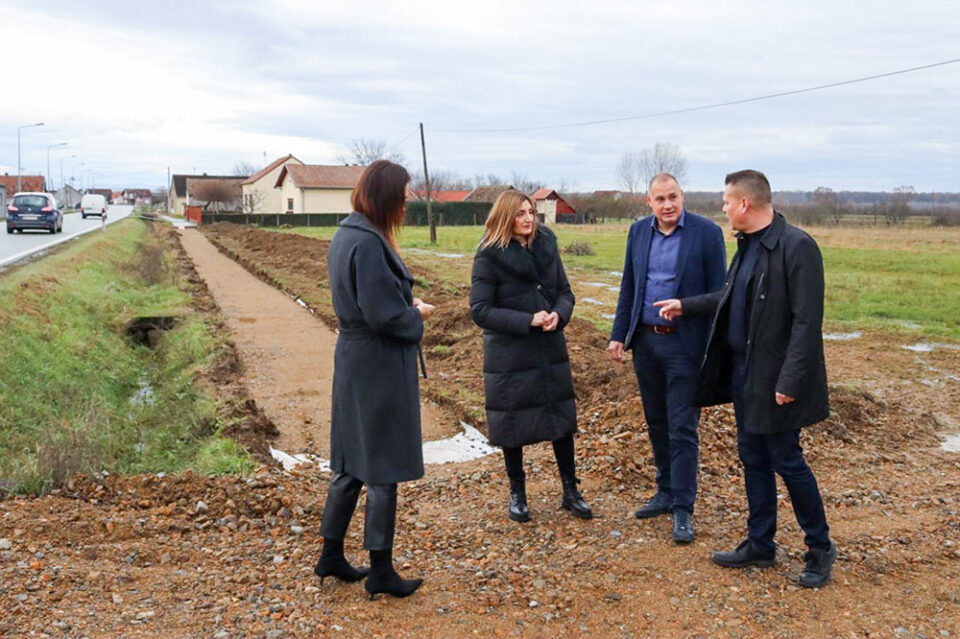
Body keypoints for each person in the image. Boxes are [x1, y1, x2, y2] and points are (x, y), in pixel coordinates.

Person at [656, 170, 836, 588]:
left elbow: (807, 323)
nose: (722, 208)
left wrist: (790, 381)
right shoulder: (748, 245)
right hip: (744, 375)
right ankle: (760, 543)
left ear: (744, 204)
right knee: (753, 458)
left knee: (787, 461)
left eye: (725, 201)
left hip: (776, 382)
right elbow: (730, 297)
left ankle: (820, 547)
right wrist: (686, 305)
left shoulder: (797, 247)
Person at [314, 160, 435, 600]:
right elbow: (383, 316)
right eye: (401, 196)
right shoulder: (367, 242)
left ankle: (330, 555)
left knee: (350, 464)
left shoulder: (348, 233)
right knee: (382, 468)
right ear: (385, 197)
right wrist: (416, 314)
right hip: (378, 365)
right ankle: (381, 572)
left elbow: (371, 301)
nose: (405, 204)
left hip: (355, 361)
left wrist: (402, 304)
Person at [607, 173, 726, 544]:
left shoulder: (707, 234)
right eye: (660, 199)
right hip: (646, 344)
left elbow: (721, 295)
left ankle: (683, 508)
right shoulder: (638, 232)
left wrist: (685, 306)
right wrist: (618, 335)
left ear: (682, 196)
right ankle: (665, 490)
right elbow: (629, 286)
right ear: (649, 202)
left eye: (672, 197)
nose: (667, 205)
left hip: (684, 346)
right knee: (657, 422)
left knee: (683, 427)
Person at [470, 190, 592, 523]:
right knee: (512, 422)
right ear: (505, 217)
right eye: (520, 213)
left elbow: (565, 292)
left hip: (549, 347)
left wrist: (558, 314)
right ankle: (518, 494)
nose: (528, 219)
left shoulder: (546, 245)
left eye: (530, 212)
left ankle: (570, 490)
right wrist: (527, 320)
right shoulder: (488, 254)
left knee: (560, 419)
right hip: (509, 354)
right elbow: (480, 310)